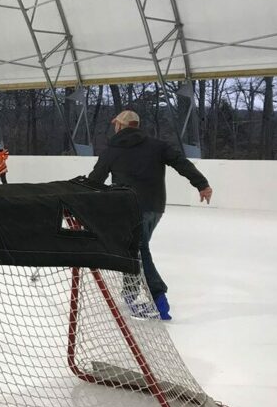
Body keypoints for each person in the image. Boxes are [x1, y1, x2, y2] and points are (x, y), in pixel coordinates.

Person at [87, 109, 213, 321]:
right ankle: (130, 293)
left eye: (115, 124)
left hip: (128, 209)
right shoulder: (158, 146)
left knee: (139, 251)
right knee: (134, 249)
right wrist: (202, 184)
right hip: (155, 207)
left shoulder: (113, 149)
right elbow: (182, 163)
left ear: (119, 126)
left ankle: (158, 298)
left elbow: (96, 179)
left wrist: (82, 198)